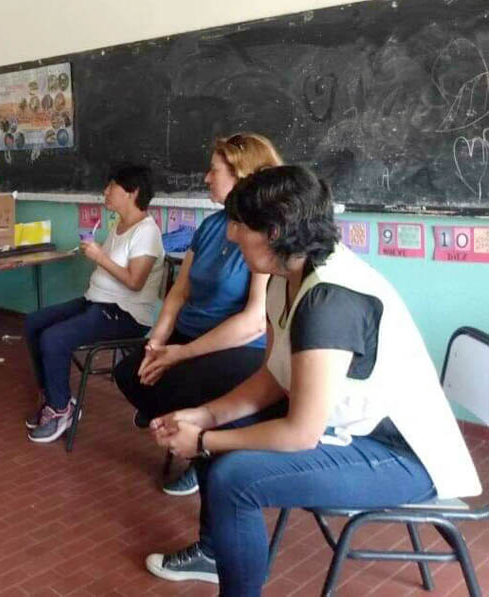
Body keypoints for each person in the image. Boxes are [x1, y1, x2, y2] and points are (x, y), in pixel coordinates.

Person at [144, 165, 481, 595]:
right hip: (349, 430)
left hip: (402, 456)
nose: (230, 236)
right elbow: (273, 378)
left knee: (234, 477)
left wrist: (203, 442)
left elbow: (300, 433)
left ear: (275, 230)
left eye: (239, 226)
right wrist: (206, 416)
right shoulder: (288, 276)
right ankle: (216, 555)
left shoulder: (330, 299)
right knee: (222, 435)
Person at [113, 133, 282, 495]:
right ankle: (186, 435)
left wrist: (180, 354)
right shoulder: (211, 225)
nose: (206, 178)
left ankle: (205, 454)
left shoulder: (262, 235)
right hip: (186, 336)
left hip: (232, 348)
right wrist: (158, 340)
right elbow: (179, 291)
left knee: (182, 383)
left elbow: (254, 321)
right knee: (129, 372)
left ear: (241, 176)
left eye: (214, 171)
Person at [24, 164, 164, 443]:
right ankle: (56, 396)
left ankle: (60, 409)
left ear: (132, 192)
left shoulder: (146, 232)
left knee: (53, 339)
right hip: (96, 303)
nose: (105, 191)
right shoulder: (120, 225)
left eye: (112, 185)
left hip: (125, 315)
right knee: (33, 323)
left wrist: (99, 257)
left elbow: (135, 282)